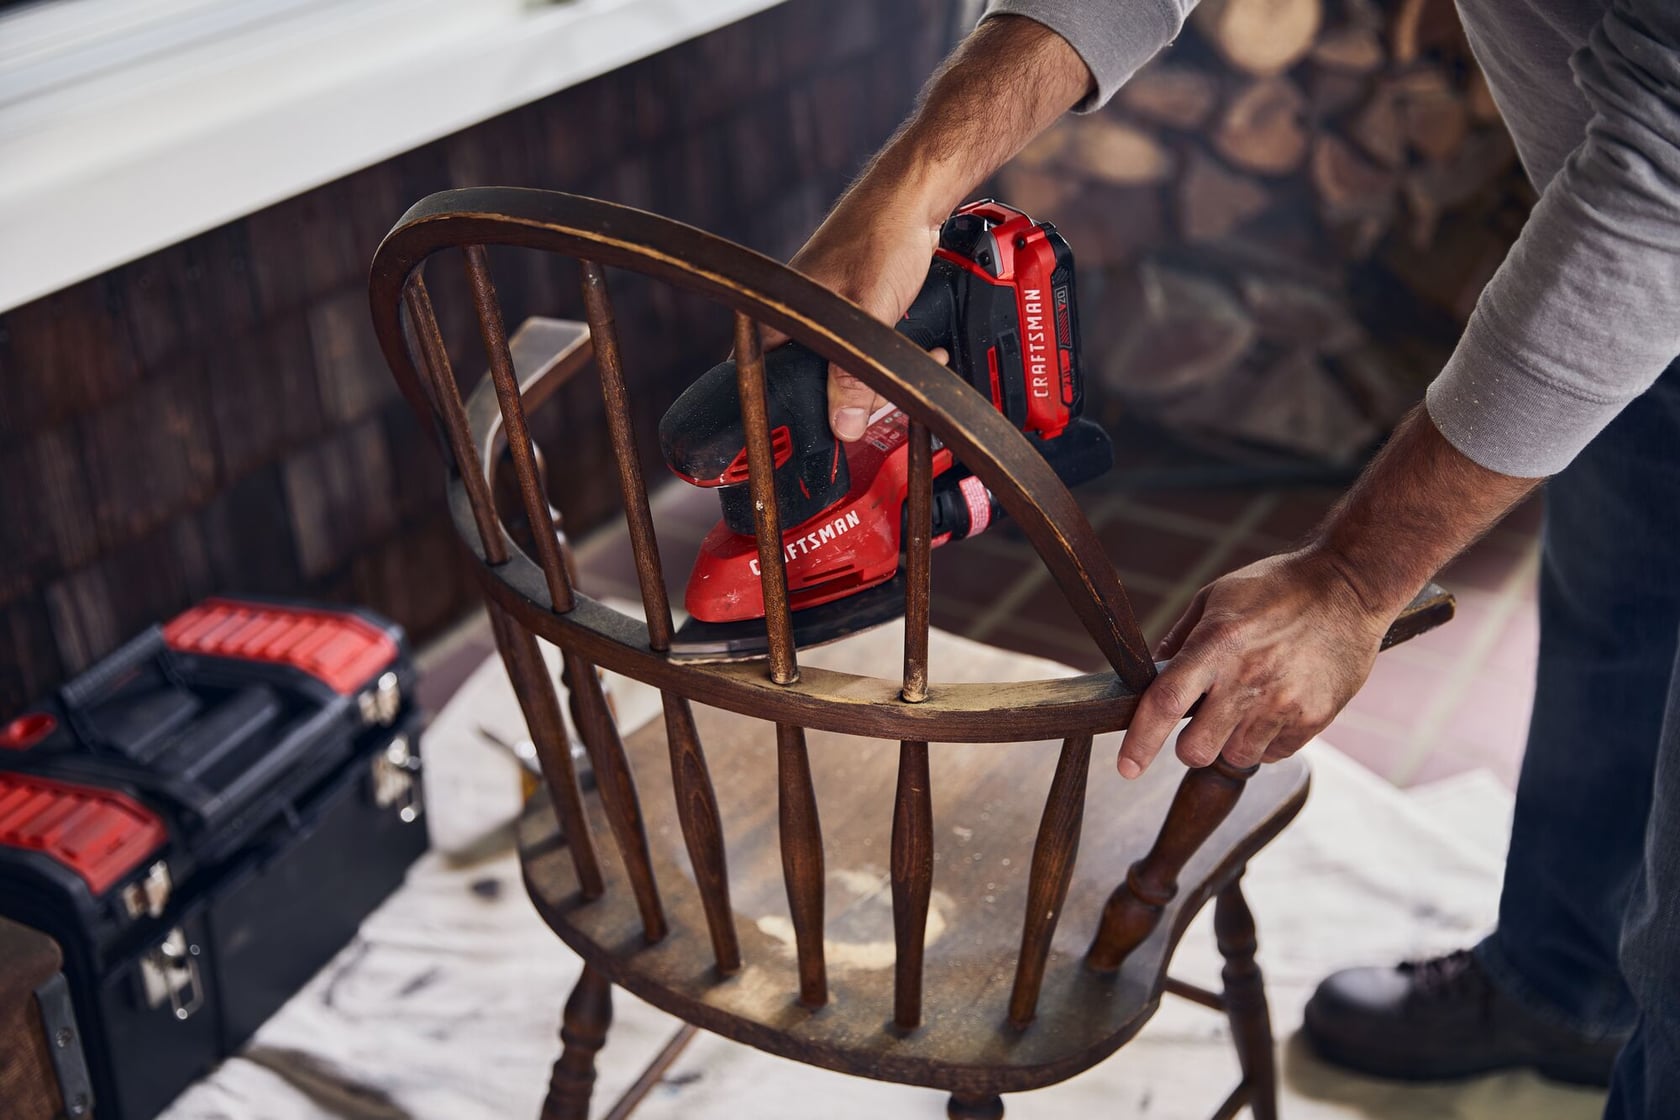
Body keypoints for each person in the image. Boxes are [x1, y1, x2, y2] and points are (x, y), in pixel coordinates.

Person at [777, 2, 1680, 1116]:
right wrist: (908, 192)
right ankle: (1565, 986)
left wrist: (1350, 581)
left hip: (1659, 223)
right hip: (1646, 283)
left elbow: (1670, 172)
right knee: (1619, 620)